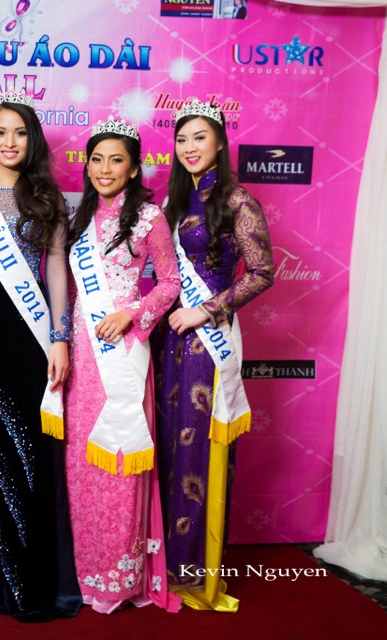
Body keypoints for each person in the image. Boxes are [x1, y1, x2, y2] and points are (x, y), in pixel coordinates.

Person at [0, 93, 81, 621]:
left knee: (28, 451)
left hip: (30, 336)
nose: (10, 142)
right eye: (0, 132)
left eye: (20, 133)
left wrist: (59, 336)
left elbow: (56, 269)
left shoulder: (48, 198)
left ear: (32, 141)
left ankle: (31, 581)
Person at [154, 100, 273, 612]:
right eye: (182, 140)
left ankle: (196, 573)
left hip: (208, 343)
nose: (189, 148)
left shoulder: (237, 199)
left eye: (199, 138)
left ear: (220, 143)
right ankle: (163, 564)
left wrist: (208, 310)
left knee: (199, 449)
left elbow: (263, 270)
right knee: (167, 444)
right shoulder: (172, 203)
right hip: (168, 340)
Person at [63, 116, 181, 614]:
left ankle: (117, 576)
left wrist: (131, 313)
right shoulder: (78, 216)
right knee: (80, 463)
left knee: (117, 460)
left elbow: (170, 284)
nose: (105, 168)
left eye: (117, 160)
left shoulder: (150, 217)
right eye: (97, 159)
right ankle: (81, 570)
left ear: (134, 169)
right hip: (82, 353)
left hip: (124, 351)